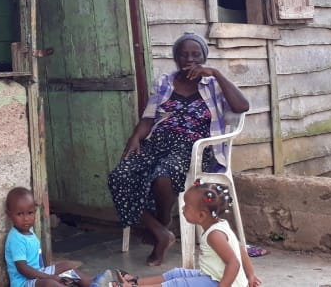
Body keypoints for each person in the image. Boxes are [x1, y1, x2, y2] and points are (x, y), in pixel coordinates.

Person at [107, 32, 250, 266]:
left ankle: (162, 225)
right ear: (176, 58)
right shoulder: (165, 82)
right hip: (158, 143)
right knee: (119, 177)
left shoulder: (213, 84)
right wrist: (134, 138)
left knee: (164, 176)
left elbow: (242, 106)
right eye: (183, 55)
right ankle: (160, 232)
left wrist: (216, 73)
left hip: (194, 148)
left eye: (196, 55)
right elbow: (149, 118)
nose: (189, 59)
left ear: (204, 57)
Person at [100, 182, 261, 287]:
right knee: (177, 273)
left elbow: (234, 263)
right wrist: (251, 275)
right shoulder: (220, 225)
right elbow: (240, 249)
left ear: (202, 215)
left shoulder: (214, 235)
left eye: (187, 206)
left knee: (178, 284)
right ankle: (136, 282)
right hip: (213, 276)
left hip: (220, 282)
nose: (183, 209)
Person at [5, 187, 101, 287]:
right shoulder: (16, 239)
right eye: (20, 214)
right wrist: (48, 277)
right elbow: (23, 269)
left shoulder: (29, 230)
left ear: (35, 211)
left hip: (38, 273)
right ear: (9, 215)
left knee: (67, 266)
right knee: (49, 283)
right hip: (23, 283)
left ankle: (90, 284)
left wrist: (47, 275)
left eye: (30, 213)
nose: (26, 219)